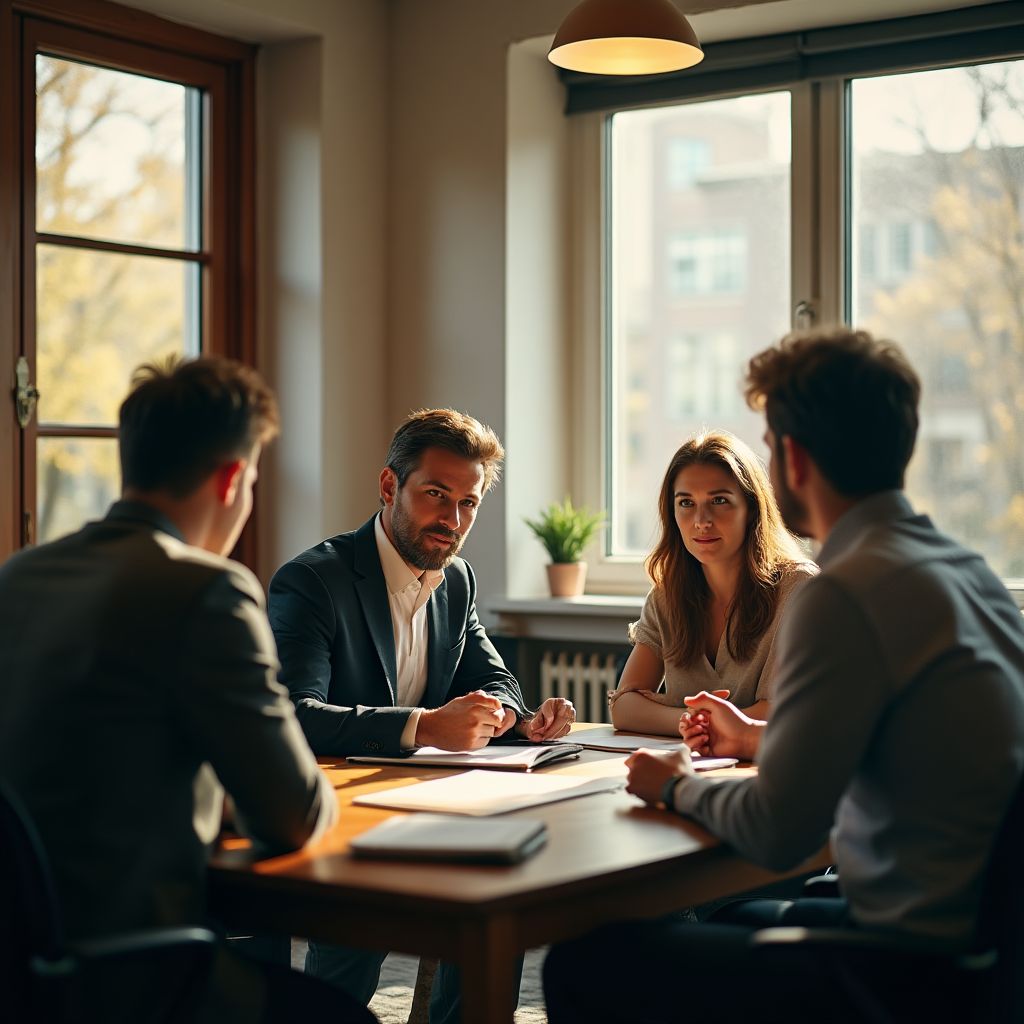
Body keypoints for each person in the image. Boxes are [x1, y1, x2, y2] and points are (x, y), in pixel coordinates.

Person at [543, 327, 1024, 1022]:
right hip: (981, 956)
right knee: (722, 929)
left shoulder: (843, 591)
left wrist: (674, 786)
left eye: (768, 445)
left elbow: (777, 832)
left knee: (588, 962)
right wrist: (754, 740)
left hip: (901, 971)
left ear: (792, 458)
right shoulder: (965, 572)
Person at [0, 356, 374, 1024]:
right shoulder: (206, 588)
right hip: (131, 976)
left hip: (17, 968)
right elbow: (292, 818)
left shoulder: (19, 576)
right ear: (233, 479)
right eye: (255, 478)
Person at [269, 406, 575, 1023]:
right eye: (437, 495)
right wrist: (423, 725)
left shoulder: (455, 577)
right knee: (345, 975)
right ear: (389, 486)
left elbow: (494, 678)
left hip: (437, 803)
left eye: (469, 503)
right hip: (344, 815)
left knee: (495, 909)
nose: (453, 520)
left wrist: (515, 717)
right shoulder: (313, 581)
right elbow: (296, 717)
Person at [609, 431, 814, 742]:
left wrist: (672, 716)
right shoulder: (667, 595)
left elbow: (780, 712)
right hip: (692, 768)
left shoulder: (797, 590)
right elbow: (624, 707)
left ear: (752, 509)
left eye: (719, 501)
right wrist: (690, 721)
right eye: (686, 503)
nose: (701, 520)